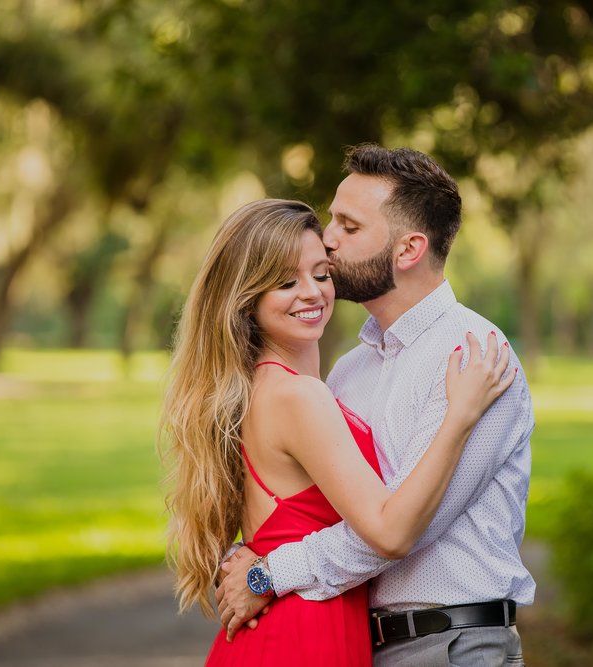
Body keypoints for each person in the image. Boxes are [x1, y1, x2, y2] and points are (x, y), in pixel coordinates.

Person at [160, 198, 515, 666]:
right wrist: (459, 417)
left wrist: (261, 576)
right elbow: (389, 531)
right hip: (303, 636)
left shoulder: (268, 388)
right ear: (246, 300)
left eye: (321, 274)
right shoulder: (300, 397)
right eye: (286, 282)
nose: (311, 292)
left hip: (298, 623)